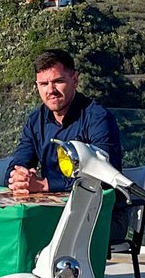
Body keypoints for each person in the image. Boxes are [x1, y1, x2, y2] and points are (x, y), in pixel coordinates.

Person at [6, 48, 121, 195]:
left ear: (74, 80)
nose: (50, 90)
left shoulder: (98, 118)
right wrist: (18, 178)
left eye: (58, 81)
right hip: (50, 210)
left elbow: (105, 174)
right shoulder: (35, 120)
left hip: (94, 210)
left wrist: (46, 185)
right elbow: (18, 163)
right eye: (43, 84)